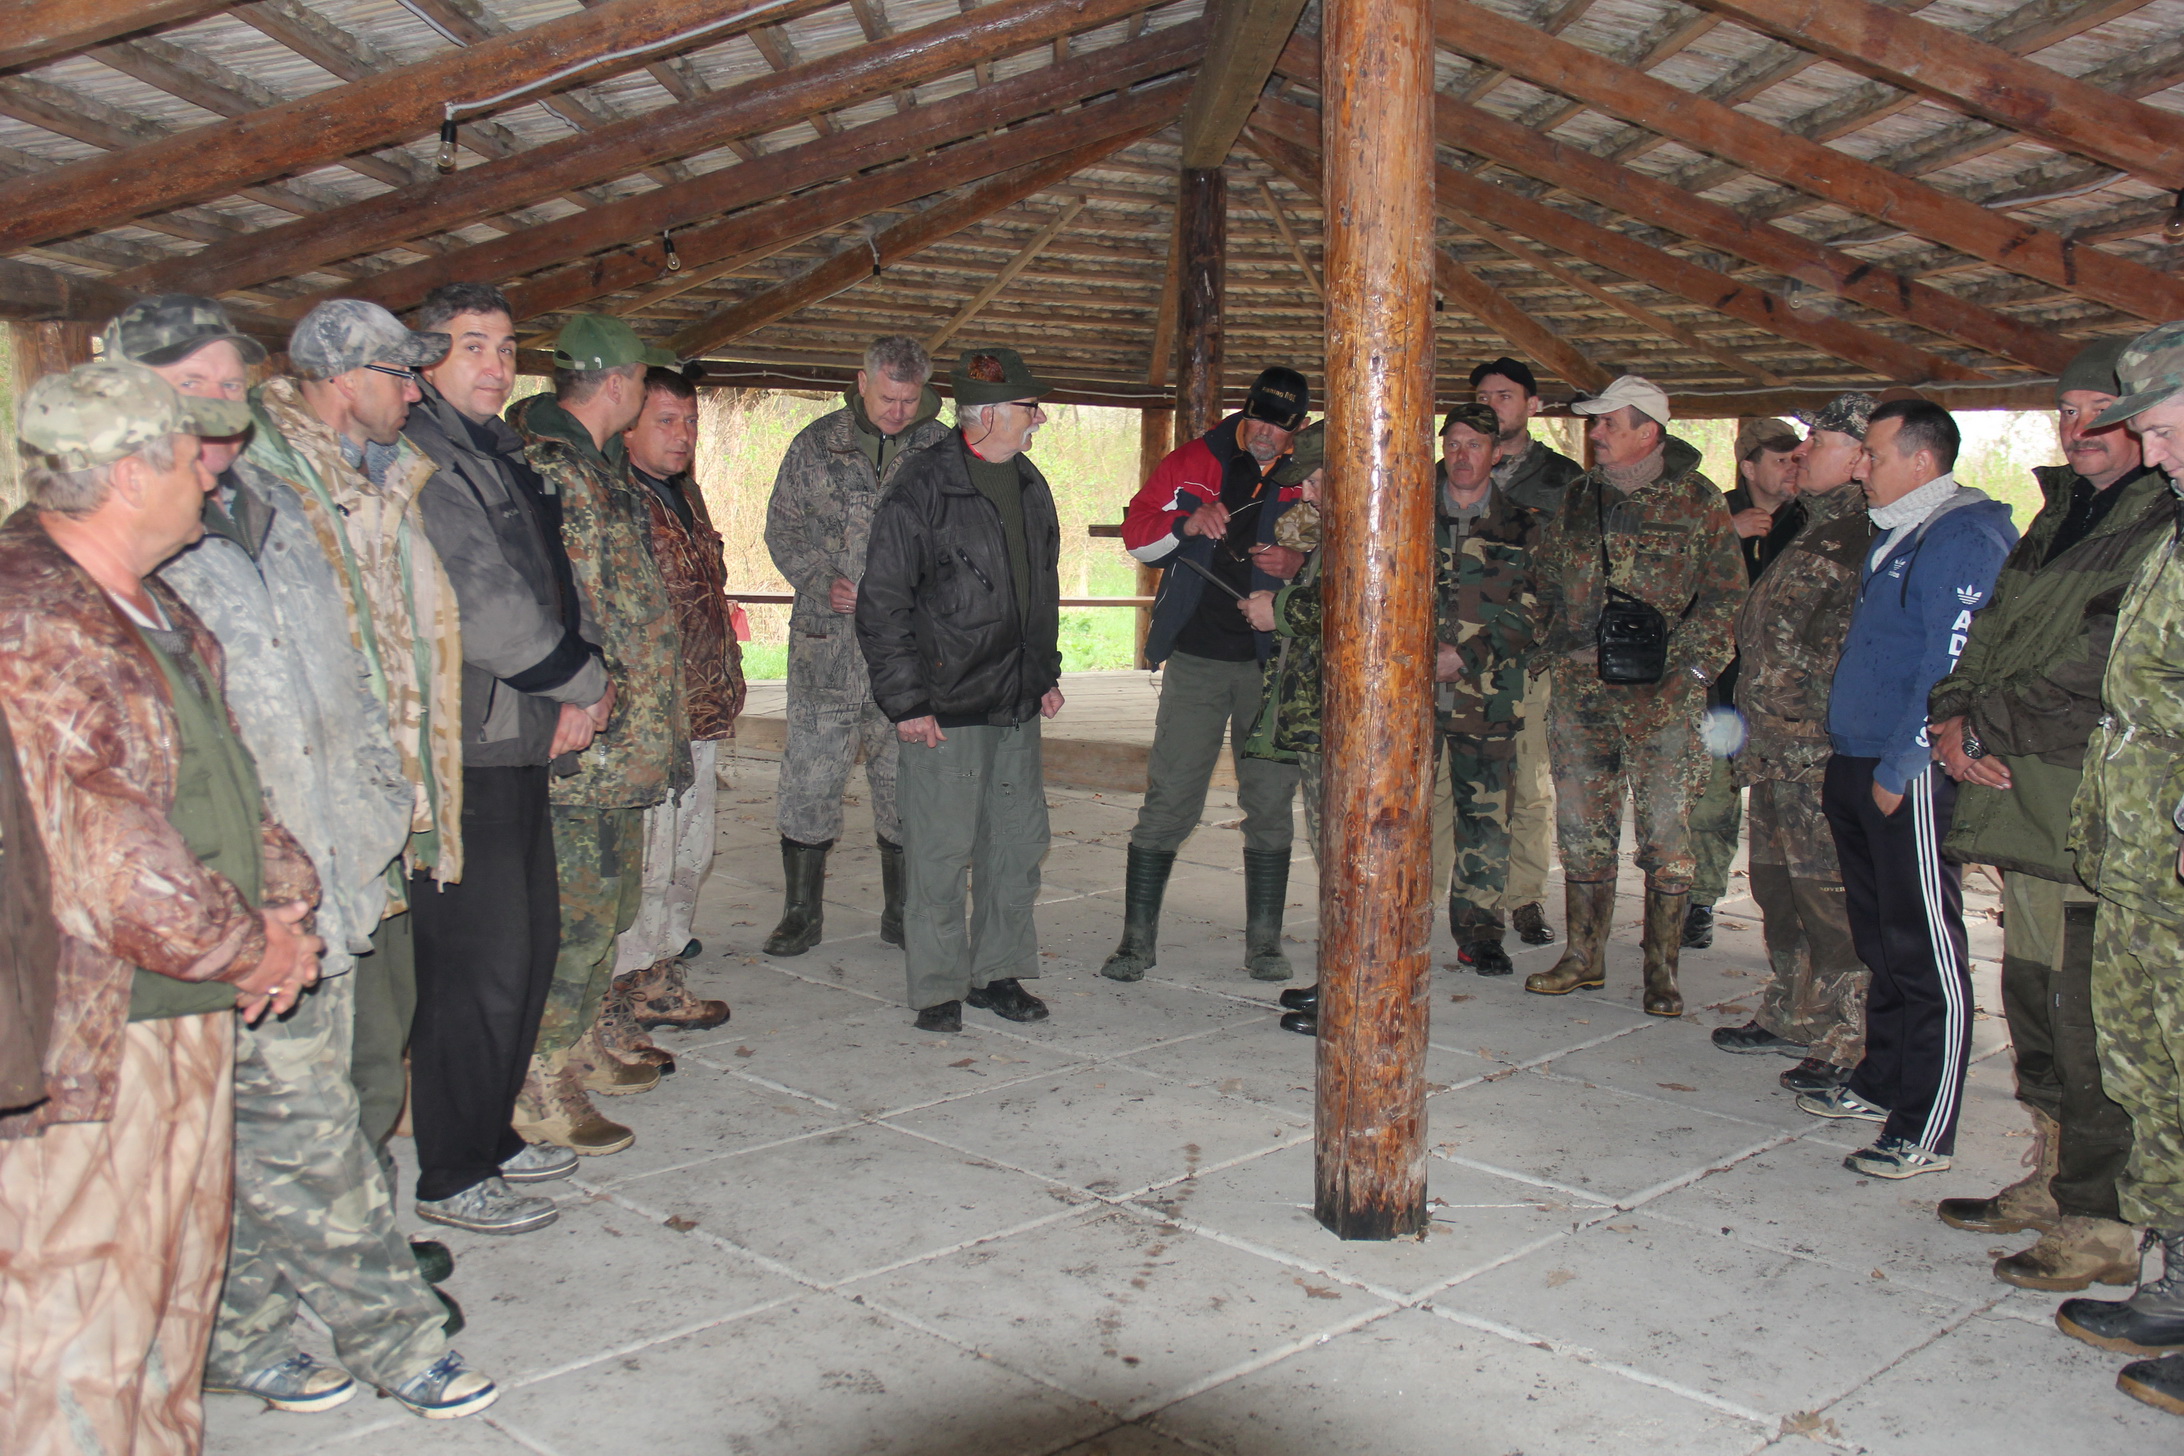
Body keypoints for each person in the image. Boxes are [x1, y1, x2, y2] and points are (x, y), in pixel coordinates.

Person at [108, 296, 489, 1415]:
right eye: (195, 387)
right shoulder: (108, 553)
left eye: (231, 384)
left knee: (286, 1121)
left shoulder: (270, 510)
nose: (221, 407)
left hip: (313, 871)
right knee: (294, 1128)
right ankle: (390, 1336)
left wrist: (369, 817)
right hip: (205, 905)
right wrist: (228, 909)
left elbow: (351, 669)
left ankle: (244, 1329)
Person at [0, 361, 332, 1449]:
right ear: (131, 476)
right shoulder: (36, 617)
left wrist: (287, 909)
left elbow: (221, 774)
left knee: (174, 1289)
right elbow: (106, 854)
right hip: (94, 1038)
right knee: (78, 1324)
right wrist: (247, 947)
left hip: (185, 1008)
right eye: (193, 456)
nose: (213, 475)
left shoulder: (148, 602)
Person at [1925, 339, 2167, 1292]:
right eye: (2066, 411)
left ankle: (2103, 1220)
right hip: (2017, 792)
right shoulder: (2062, 511)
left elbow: (2102, 663)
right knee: (2034, 995)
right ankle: (2056, 1175)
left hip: (2088, 801)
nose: (2080, 428)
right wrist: (1953, 713)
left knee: (2088, 1011)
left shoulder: (2160, 517)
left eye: (2101, 409)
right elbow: (1989, 628)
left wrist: (1981, 719)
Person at [247, 301, 479, 1225]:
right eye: (399, 373)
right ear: (344, 379)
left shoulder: (385, 479)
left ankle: (363, 1228)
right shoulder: (269, 485)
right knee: (321, 1057)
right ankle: (331, 1240)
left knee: (381, 1036)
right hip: (313, 825)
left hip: (389, 811)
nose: (415, 392)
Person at [404, 283, 623, 1192]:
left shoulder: (496, 454)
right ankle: (453, 1171)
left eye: (504, 347)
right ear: (426, 361)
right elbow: (486, 609)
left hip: (516, 738)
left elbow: (556, 587)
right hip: (462, 753)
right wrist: (583, 681)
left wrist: (576, 685)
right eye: (471, 346)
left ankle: (490, 1135)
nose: (495, 365)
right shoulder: (424, 462)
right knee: (478, 969)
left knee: (526, 954)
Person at [1799, 399, 2017, 1179]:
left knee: (1925, 949)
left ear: (1923, 461)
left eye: (1876, 455)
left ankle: (1926, 1126)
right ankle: (1882, 1082)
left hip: (1908, 770)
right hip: (1857, 758)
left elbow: (1948, 664)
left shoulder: (1962, 535)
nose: (1861, 467)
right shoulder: (1899, 531)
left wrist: (1902, 766)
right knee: (1882, 940)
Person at [508, 315, 690, 1152]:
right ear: (618, 384)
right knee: (574, 919)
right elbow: (566, 607)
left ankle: (577, 1047)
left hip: (623, 747)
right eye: (645, 381)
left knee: (609, 911)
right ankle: (538, 1080)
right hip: (586, 749)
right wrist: (580, 700)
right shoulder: (556, 471)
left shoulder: (597, 467)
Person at [857, 347, 1064, 1032]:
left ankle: (996, 973)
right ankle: (938, 986)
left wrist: (1045, 672)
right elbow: (882, 603)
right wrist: (908, 702)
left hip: (1016, 701)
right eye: (1030, 407)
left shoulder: (1030, 484)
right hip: (945, 706)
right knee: (941, 853)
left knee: (1016, 845)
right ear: (993, 414)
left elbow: (1040, 589)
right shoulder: (923, 488)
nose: (1040, 417)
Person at [2055, 320, 2184, 1416]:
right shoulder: (2175, 534)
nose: (2158, 450)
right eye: (2152, 431)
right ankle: (2177, 1280)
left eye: (2172, 429)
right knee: (2152, 1075)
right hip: (2145, 867)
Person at [1526, 375, 1743, 1016]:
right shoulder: (1577, 497)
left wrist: (1689, 673)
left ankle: (1661, 971)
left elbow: (1728, 596)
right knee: (1580, 828)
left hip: (1663, 698)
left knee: (1666, 838)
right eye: (1594, 424)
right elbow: (1543, 577)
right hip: (1581, 693)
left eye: (1608, 424)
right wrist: (1553, 642)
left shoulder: (1698, 500)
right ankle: (1583, 957)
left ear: (1648, 433)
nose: (1595, 434)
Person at [1107, 367, 1310, 983]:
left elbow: (1356, 553)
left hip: (1273, 665)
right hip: (1196, 659)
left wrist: (1298, 563)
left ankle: (1264, 942)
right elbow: (1136, 536)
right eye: (1259, 417)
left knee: (1270, 802)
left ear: (1299, 427)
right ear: (1245, 409)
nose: (1266, 433)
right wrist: (1187, 525)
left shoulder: (1311, 473)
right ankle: (1135, 942)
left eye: (1280, 425)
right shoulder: (1194, 460)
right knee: (1170, 797)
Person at [1711, 394, 1879, 1099]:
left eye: (1822, 442)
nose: (1802, 453)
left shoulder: (1870, 533)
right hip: (1776, 750)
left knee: (1830, 898)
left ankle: (1850, 1036)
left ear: (1863, 456)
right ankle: (1793, 1009)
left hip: (1818, 753)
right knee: (1779, 890)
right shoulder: (1812, 526)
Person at [762, 336, 948, 956]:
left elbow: (960, 542)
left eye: (909, 400)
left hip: (908, 655)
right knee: (809, 781)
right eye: (888, 398)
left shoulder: (941, 449)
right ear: (862, 382)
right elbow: (781, 528)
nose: (898, 412)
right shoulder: (816, 444)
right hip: (826, 652)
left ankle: (902, 911)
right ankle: (801, 912)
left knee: (906, 785)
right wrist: (822, 581)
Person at [609, 366, 741, 1035]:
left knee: (691, 852)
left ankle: (661, 974)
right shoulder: (617, 499)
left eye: (690, 421)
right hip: (648, 720)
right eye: (666, 420)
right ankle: (624, 987)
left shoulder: (687, 497)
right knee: (648, 861)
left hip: (703, 709)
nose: (682, 434)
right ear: (628, 425)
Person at [1430, 402, 1547, 978]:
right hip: (1410, 695)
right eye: (1453, 442)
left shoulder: (1523, 526)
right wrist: (1421, 655)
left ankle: (1480, 931)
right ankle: (1395, 919)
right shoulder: (1406, 515)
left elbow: (1536, 608)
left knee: (1487, 820)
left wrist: (1466, 656)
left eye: (1475, 444)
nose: (1462, 455)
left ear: (1496, 454)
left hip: (1490, 695)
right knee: (1399, 814)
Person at [1474, 356, 1583, 948]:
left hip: (1530, 656)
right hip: (1461, 655)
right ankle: (1459, 895)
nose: (1493, 406)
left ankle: (1524, 898)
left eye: (1505, 396)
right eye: (1483, 397)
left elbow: (1578, 571)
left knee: (1531, 785)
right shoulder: (1448, 472)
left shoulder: (1564, 481)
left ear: (1532, 405)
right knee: (1452, 781)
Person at [1684, 416, 1803, 950]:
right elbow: (1669, 582)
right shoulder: (1713, 515)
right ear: (1749, 467)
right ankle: (1699, 901)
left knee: (1788, 812)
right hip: (1722, 691)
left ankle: (1797, 921)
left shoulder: (1814, 520)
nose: (1792, 469)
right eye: (1780, 460)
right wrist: (1725, 536)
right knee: (1713, 801)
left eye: (1797, 459)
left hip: (1789, 698)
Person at [1236, 425, 1326, 1034]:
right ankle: (1342, 974)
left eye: (1318, 481)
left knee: (1354, 856)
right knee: (1335, 856)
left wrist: (1280, 609)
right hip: (1322, 716)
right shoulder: (1331, 528)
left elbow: (1366, 604)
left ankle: (1359, 990)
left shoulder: (1381, 531)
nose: (1309, 493)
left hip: (1356, 724)